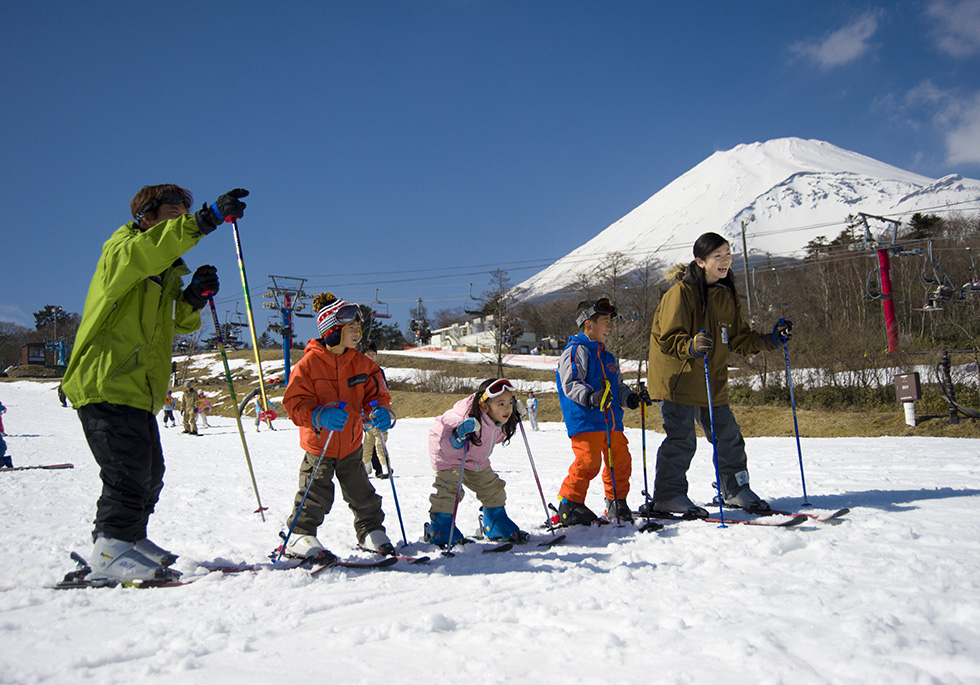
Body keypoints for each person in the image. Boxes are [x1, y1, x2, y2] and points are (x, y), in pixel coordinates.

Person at [61, 184, 248, 582]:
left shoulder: (164, 271)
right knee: (126, 471)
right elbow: (149, 251)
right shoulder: (124, 250)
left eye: (188, 208)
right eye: (175, 207)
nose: (183, 212)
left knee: (150, 471)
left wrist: (195, 296)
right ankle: (110, 549)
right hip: (107, 379)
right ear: (147, 213)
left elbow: (178, 322)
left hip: (139, 389)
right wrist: (206, 219)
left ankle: (127, 539)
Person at [643, 232, 793, 517]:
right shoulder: (680, 293)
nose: (725, 261)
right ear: (700, 262)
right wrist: (690, 345)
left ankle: (735, 489)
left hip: (712, 382)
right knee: (682, 439)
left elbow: (739, 338)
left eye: (728, 254)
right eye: (718, 257)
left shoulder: (725, 296)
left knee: (728, 436)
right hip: (678, 380)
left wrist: (771, 339)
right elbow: (668, 338)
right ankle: (669, 495)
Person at [280, 293, 396, 561]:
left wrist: (380, 409)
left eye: (358, 328)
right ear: (332, 331)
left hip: (351, 444)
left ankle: (371, 531)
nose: (358, 333)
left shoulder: (363, 364)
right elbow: (294, 403)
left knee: (362, 492)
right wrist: (318, 415)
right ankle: (299, 533)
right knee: (315, 492)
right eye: (351, 328)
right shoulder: (308, 365)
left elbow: (377, 393)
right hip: (320, 445)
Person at [556, 298, 643, 526]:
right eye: (605, 322)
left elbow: (618, 386)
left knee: (620, 461)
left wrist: (630, 397)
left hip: (612, 421)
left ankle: (617, 502)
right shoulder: (575, 351)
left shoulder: (607, 356)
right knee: (588, 462)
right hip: (587, 420)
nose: (609, 327)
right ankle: (570, 502)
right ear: (588, 324)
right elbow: (571, 382)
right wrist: (591, 397)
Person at [425, 378, 528, 545]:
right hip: (448, 455)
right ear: (484, 406)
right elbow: (445, 445)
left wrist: (514, 421)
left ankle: (495, 522)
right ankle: (441, 527)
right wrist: (458, 435)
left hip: (474, 458)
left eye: (510, 403)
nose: (507, 408)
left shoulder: (497, 419)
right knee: (450, 490)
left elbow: (495, 437)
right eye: (501, 404)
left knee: (493, 488)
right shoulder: (461, 417)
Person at [361, 342, 388, 478]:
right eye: (368, 354)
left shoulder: (378, 371)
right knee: (367, 441)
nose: (371, 357)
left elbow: (384, 390)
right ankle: (366, 467)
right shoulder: (359, 369)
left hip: (376, 409)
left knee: (378, 440)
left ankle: (381, 468)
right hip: (363, 411)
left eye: (373, 354)